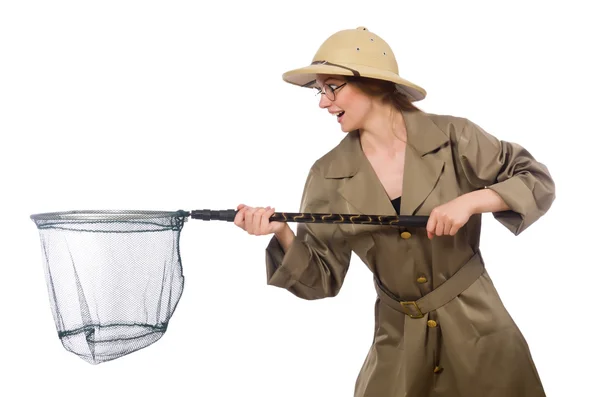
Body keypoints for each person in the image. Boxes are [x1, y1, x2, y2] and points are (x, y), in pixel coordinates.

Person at [233, 26, 555, 397]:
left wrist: (470, 202)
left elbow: (535, 180)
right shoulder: (327, 175)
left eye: (331, 87)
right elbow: (320, 279)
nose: (323, 102)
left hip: (481, 330)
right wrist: (282, 233)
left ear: (372, 83)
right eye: (320, 91)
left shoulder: (453, 136)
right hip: (397, 338)